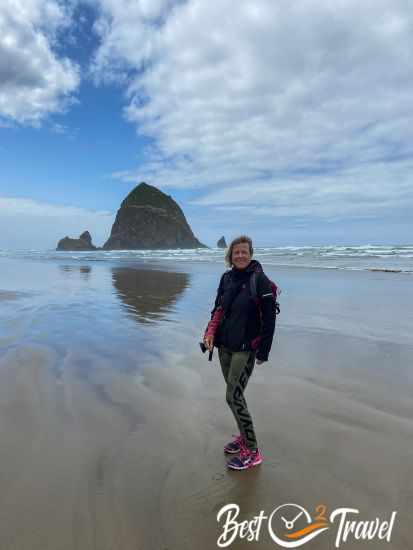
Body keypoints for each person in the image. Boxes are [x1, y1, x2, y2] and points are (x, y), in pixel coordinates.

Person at [203, 235, 277, 470]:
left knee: (233, 396)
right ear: (230, 255)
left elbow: (270, 320)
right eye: (237, 252)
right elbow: (218, 309)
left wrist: (263, 351)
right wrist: (209, 334)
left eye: (245, 251)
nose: (241, 255)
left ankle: (253, 451)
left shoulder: (260, 280)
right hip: (224, 346)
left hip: (245, 349)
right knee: (236, 396)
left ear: (251, 253)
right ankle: (243, 438)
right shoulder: (226, 278)